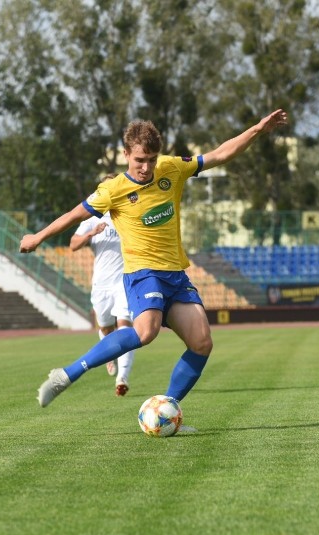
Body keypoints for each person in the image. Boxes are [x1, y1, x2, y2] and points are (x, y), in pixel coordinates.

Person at [20, 109, 289, 415]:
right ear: (125, 155)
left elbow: (219, 155)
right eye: (139, 160)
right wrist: (37, 237)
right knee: (146, 332)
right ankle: (67, 374)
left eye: (151, 159)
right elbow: (73, 215)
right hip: (142, 273)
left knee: (202, 342)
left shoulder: (172, 169)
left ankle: (166, 411)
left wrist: (257, 129)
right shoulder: (112, 190)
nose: (147, 167)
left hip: (175, 275)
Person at [70, 174, 134, 397]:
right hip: (101, 284)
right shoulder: (91, 218)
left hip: (125, 281)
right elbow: (73, 244)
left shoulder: (127, 213)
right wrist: (91, 233)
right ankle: (111, 356)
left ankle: (122, 377)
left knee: (125, 327)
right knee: (106, 328)